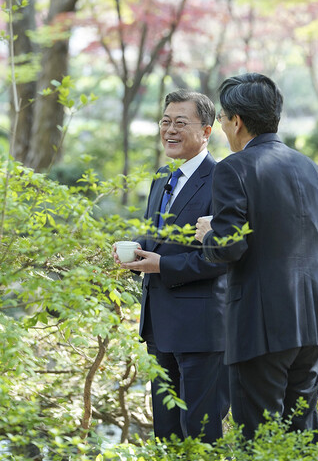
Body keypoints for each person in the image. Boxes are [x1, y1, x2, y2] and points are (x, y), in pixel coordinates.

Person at [195, 73, 318, 442]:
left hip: (258, 326)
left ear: (237, 121)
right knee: (302, 435)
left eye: (225, 120)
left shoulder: (234, 167)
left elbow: (229, 246)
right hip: (310, 323)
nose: (224, 130)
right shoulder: (311, 168)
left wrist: (208, 235)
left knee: (257, 440)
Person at [115, 90, 229, 443]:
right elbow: (157, 237)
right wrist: (133, 252)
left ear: (207, 131)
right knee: (165, 433)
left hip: (201, 329)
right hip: (158, 327)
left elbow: (223, 255)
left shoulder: (223, 178)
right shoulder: (162, 176)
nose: (170, 130)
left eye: (181, 123)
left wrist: (163, 265)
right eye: (165, 122)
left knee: (199, 431)